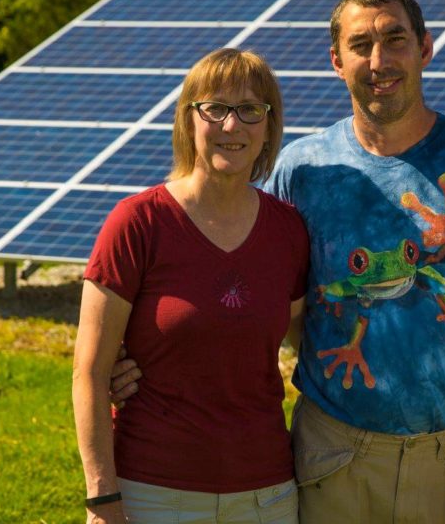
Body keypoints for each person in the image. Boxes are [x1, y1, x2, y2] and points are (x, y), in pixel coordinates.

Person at [113, 0, 445, 524]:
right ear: (335, 61)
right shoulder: (301, 171)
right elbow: (236, 292)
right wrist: (139, 359)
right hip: (330, 458)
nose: (379, 60)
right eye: (360, 44)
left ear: (425, 48)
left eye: (395, 39)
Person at [73, 48, 309, 524]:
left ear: (268, 126)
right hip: (154, 493)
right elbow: (90, 373)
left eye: (249, 110)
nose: (231, 126)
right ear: (188, 120)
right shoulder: (138, 223)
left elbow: (308, 343)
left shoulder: (289, 231)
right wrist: (102, 500)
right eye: (215, 108)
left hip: (267, 495)